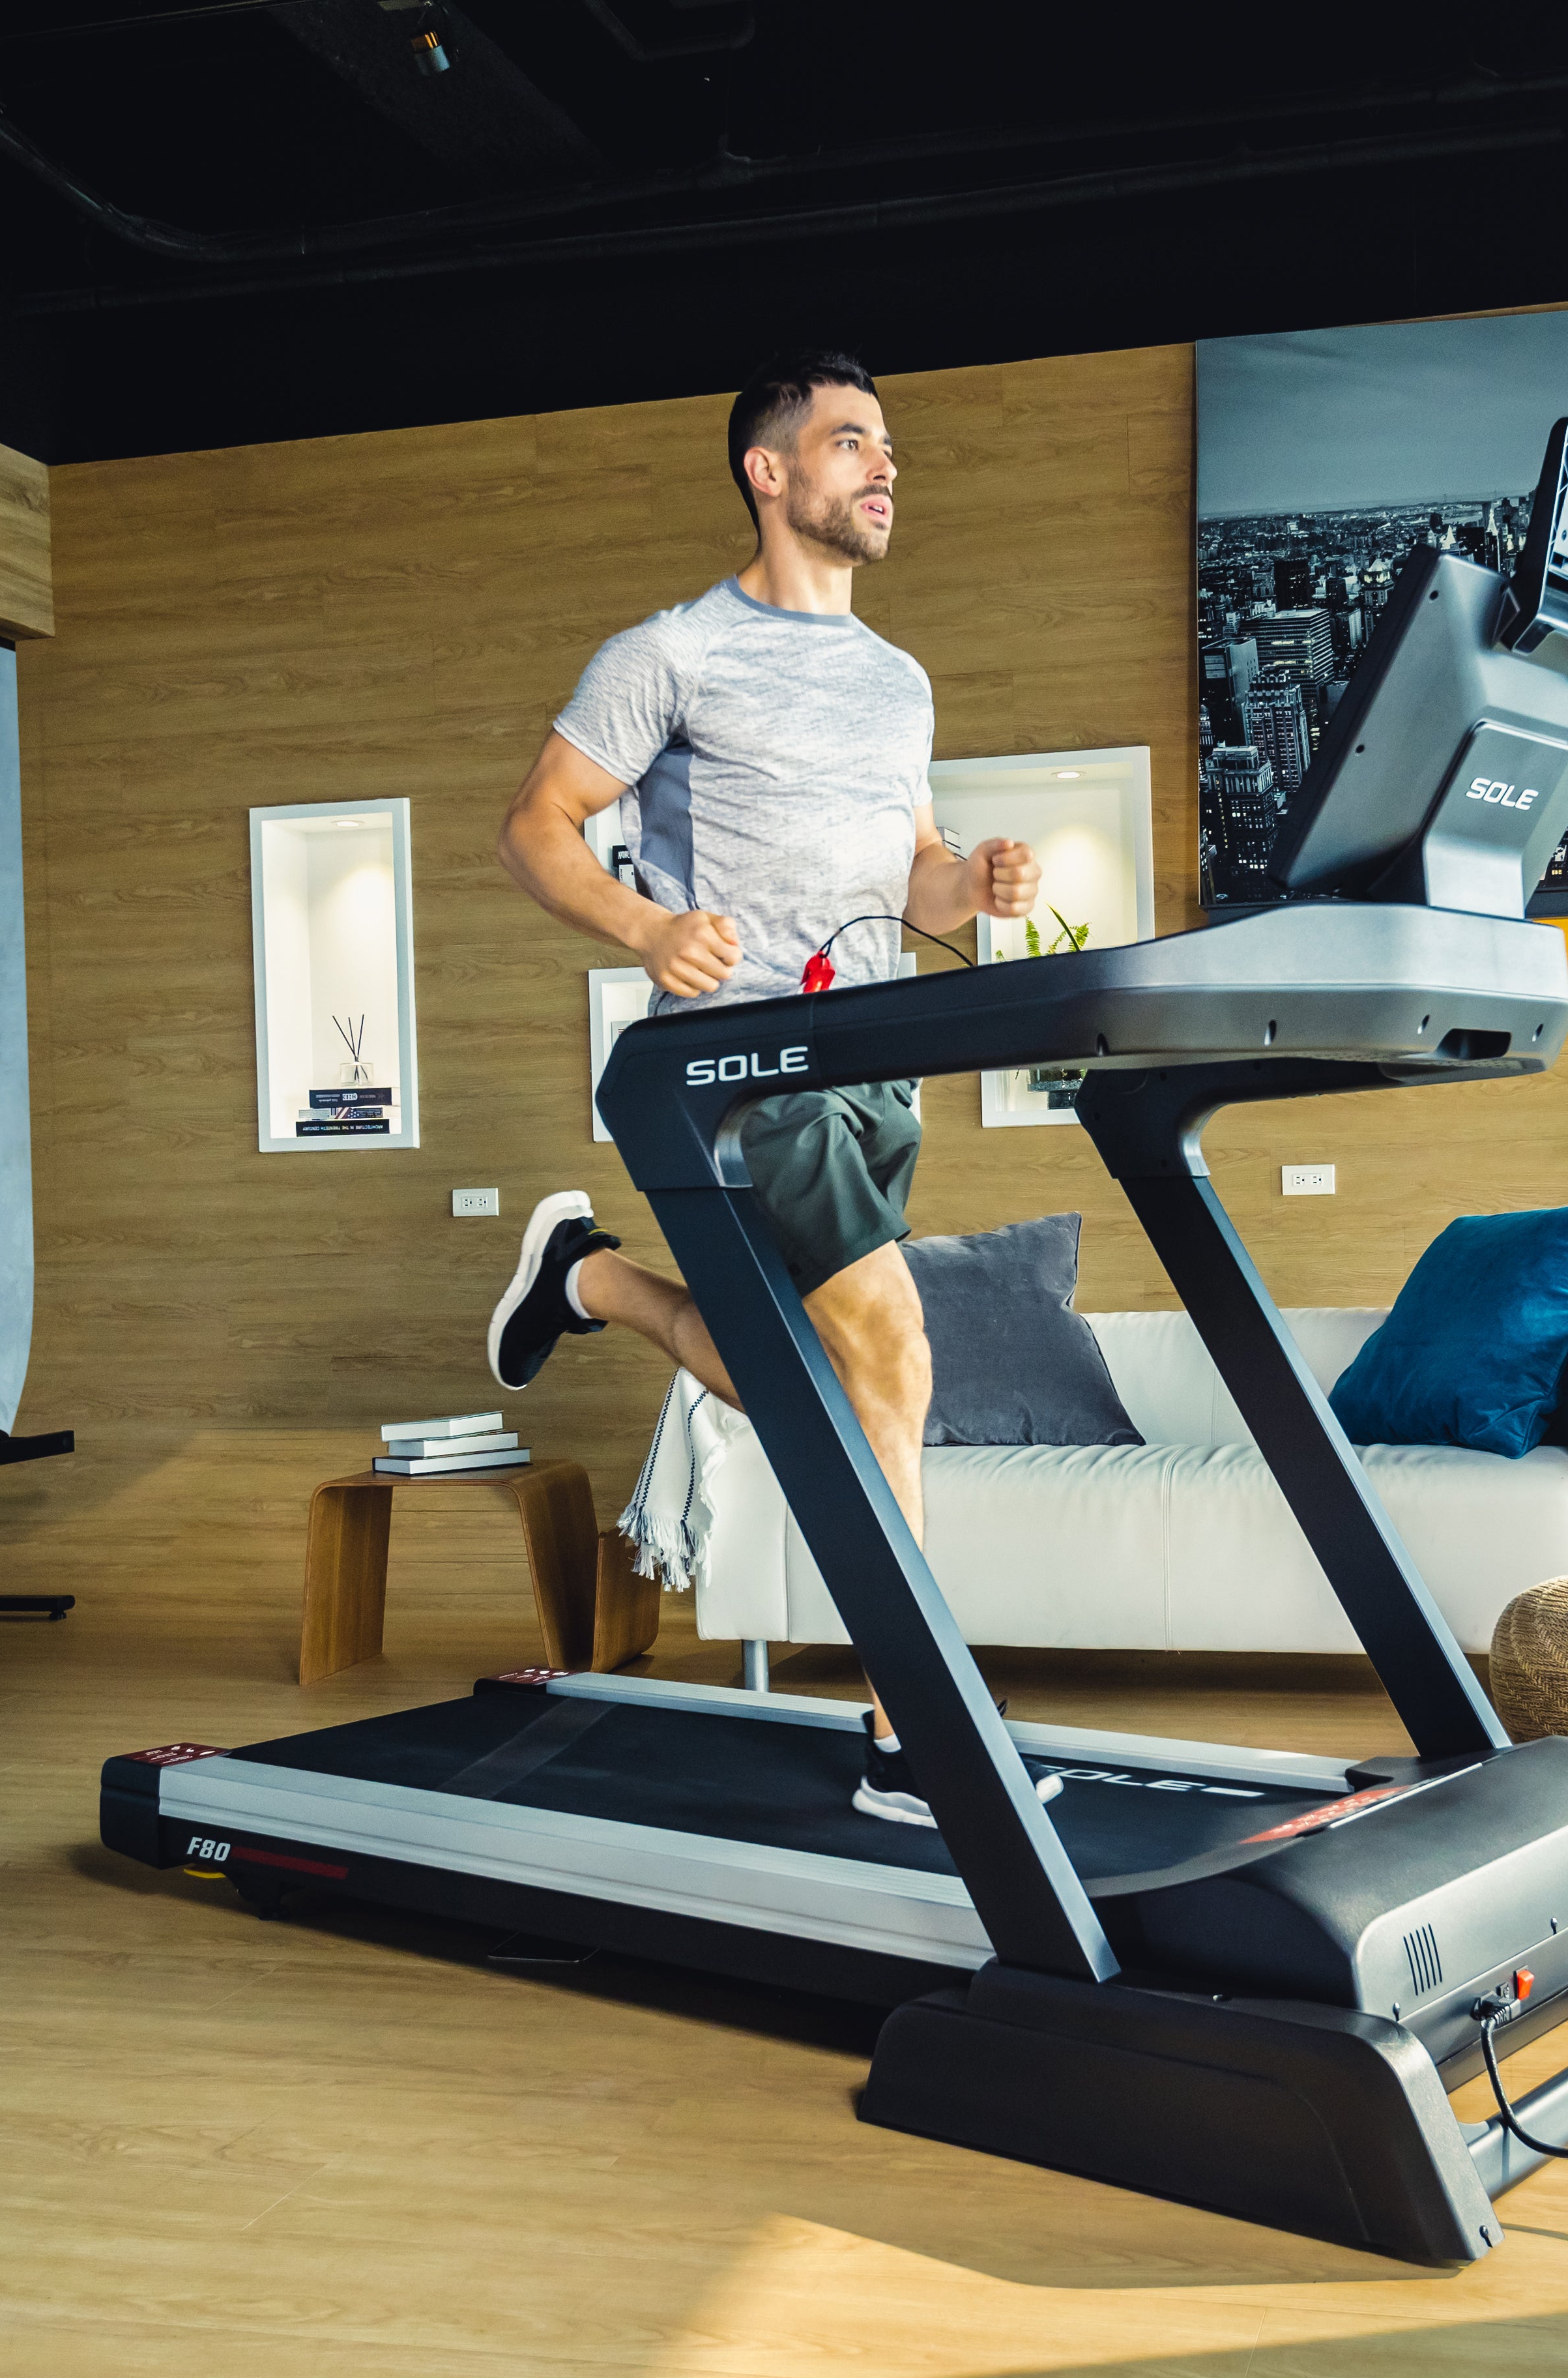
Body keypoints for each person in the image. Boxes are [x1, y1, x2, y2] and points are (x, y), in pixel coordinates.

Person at [486, 349, 1053, 1830]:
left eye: (887, 452)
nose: (882, 471)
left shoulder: (897, 680)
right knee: (894, 1356)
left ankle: (589, 1281)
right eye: (852, 445)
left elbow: (908, 879)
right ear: (770, 471)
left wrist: (969, 883)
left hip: (870, 1059)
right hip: (745, 1058)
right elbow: (538, 827)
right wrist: (647, 931)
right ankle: (909, 1721)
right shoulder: (670, 656)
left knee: (831, 1381)